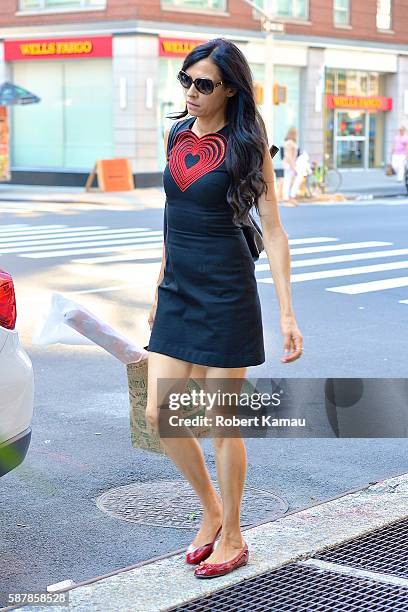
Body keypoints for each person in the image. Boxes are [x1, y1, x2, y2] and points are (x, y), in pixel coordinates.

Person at [146, 38, 303, 580]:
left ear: (230, 89)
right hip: (179, 290)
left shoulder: (246, 142)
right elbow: (170, 216)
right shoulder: (175, 134)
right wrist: (159, 285)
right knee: (159, 416)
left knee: (218, 419)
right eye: (186, 80)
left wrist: (286, 313)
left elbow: (275, 230)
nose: (191, 92)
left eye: (204, 84)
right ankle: (211, 508)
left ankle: (233, 533)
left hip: (227, 290)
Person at [282, 127, 299, 206]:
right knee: (288, 181)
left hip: (289, 164)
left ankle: (288, 197)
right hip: (289, 164)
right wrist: (293, 166)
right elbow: (288, 156)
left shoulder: (290, 142)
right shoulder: (289, 143)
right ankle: (287, 198)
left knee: (288, 180)